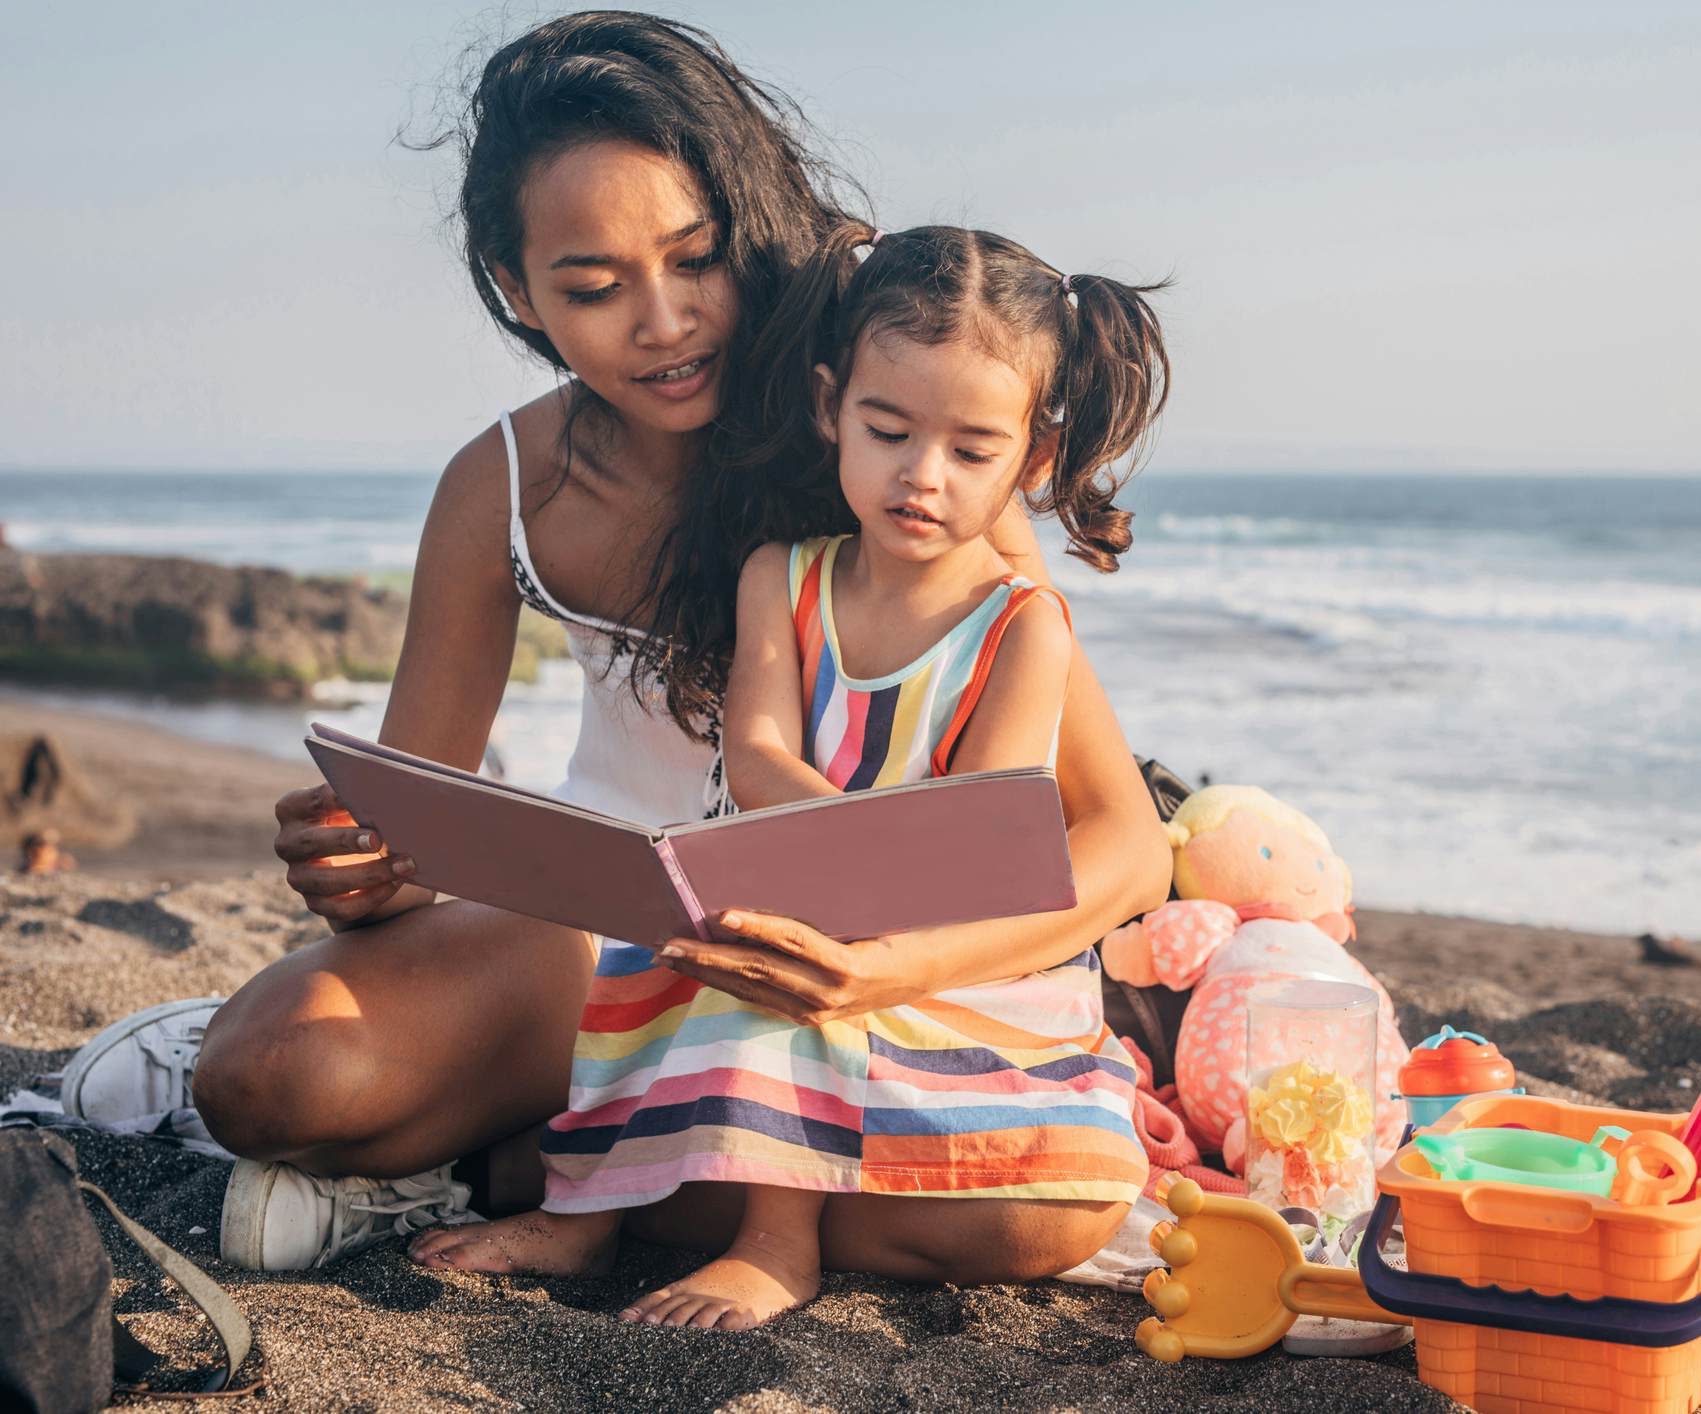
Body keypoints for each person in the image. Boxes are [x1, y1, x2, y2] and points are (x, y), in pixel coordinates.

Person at [186, 14, 1171, 1279]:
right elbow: (417, 840)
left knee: (1033, 1217)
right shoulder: (503, 483)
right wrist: (366, 866)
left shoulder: (882, 444)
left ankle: (525, 1171)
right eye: (593, 288)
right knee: (272, 1076)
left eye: (695, 259)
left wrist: (881, 968)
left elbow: (1124, 839)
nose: (661, 322)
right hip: (586, 947)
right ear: (514, 289)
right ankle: (620, 1161)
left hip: (845, 966)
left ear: (748, 227)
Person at [409, 223, 1169, 1327]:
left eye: (970, 451)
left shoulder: (1022, 625)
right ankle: (616, 1222)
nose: (921, 475)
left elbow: (982, 834)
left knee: (1033, 1162)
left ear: (1030, 463)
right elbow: (758, 752)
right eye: (888, 429)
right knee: (697, 954)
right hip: (797, 892)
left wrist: (867, 895)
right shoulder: (785, 578)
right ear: (830, 410)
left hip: (939, 955)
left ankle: (761, 1228)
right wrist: (835, 860)